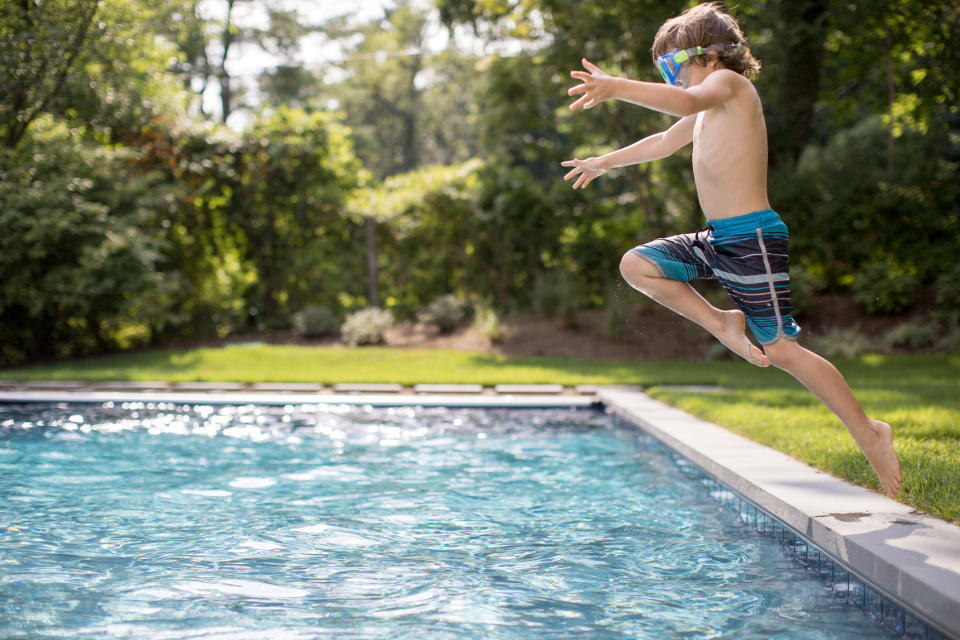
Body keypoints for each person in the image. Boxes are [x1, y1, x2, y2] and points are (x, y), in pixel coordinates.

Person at [561, 2, 902, 498]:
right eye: (663, 70)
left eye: (672, 66)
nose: (670, 78)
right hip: (718, 238)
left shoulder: (730, 87)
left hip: (753, 238)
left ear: (711, 55)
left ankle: (870, 433)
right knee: (638, 264)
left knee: (782, 349)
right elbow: (661, 141)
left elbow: (683, 104)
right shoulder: (704, 107)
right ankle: (722, 323)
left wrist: (616, 88)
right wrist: (605, 162)